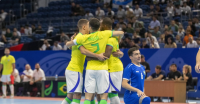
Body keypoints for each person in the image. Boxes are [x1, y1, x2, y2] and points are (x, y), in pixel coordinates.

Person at [66, 18, 124, 104]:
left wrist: (73, 40)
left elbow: (69, 44)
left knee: (88, 97)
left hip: (92, 68)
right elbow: (121, 32)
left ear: (90, 27)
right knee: (104, 96)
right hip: (103, 68)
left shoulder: (84, 38)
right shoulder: (104, 34)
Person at [61, 19, 108, 104]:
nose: (90, 28)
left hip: (72, 69)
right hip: (75, 69)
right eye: (88, 26)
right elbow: (83, 51)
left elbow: (70, 45)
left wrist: (70, 43)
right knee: (77, 96)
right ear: (84, 27)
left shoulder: (80, 38)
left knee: (70, 97)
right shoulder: (80, 37)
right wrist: (98, 55)